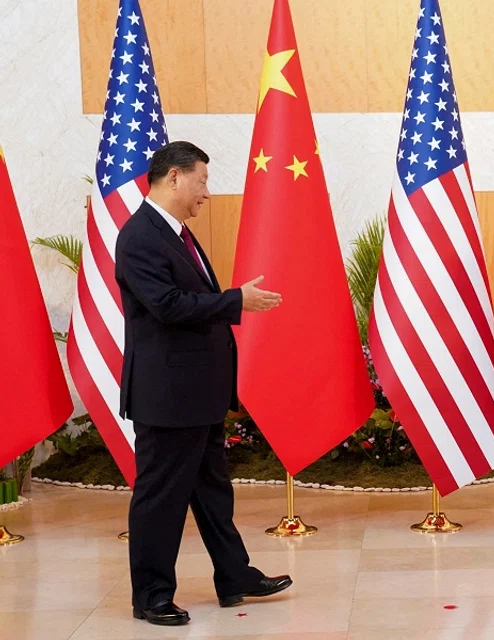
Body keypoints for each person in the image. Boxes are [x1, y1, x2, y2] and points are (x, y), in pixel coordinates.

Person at [116, 141, 292, 626]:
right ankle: (150, 595)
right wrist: (236, 300)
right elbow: (168, 306)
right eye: (202, 181)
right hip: (167, 398)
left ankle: (234, 575)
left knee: (213, 490)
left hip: (197, 395)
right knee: (160, 498)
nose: (206, 193)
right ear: (174, 177)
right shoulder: (139, 237)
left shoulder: (174, 235)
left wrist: (232, 302)